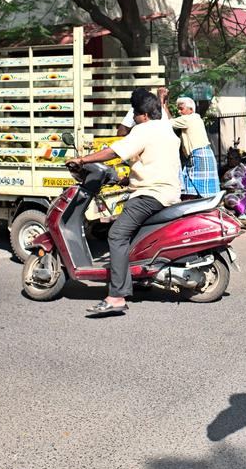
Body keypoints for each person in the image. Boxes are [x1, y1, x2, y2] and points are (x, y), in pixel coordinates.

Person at [67, 90, 181, 316]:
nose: (134, 119)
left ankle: (117, 296)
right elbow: (153, 161)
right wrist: (127, 178)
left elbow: (114, 151)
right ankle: (138, 278)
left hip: (150, 195)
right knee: (132, 234)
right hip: (167, 191)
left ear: (145, 115)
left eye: (135, 114)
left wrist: (82, 159)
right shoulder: (165, 127)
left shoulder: (144, 130)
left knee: (117, 235)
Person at [172, 96, 220, 197]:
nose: (179, 112)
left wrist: (163, 102)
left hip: (199, 156)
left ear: (191, 109)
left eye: (181, 109)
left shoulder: (189, 118)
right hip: (198, 156)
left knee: (199, 193)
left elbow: (167, 122)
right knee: (190, 188)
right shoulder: (194, 118)